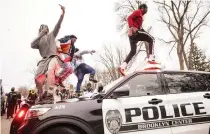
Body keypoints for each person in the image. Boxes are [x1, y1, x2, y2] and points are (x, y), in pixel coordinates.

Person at [31, 4, 65, 103]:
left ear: (47, 30)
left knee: (50, 70)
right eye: (42, 29)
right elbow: (32, 45)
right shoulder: (38, 41)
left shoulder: (51, 35)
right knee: (37, 78)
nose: (43, 30)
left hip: (53, 57)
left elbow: (57, 26)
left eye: (45, 29)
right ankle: (41, 93)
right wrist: (41, 34)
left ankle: (50, 93)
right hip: (44, 59)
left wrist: (62, 14)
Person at [118, 4, 156, 76]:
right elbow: (129, 18)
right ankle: (151, 59)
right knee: (152, 39)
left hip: (132, 36)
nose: (147, 10)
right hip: (135, 32)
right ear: (142, 8)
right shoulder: (138, 12)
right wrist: (131, 27)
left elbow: (141, 28)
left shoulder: (141, 17)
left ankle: (122, 67)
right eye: (146, 9)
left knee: (133, 51)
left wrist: (144, 32)